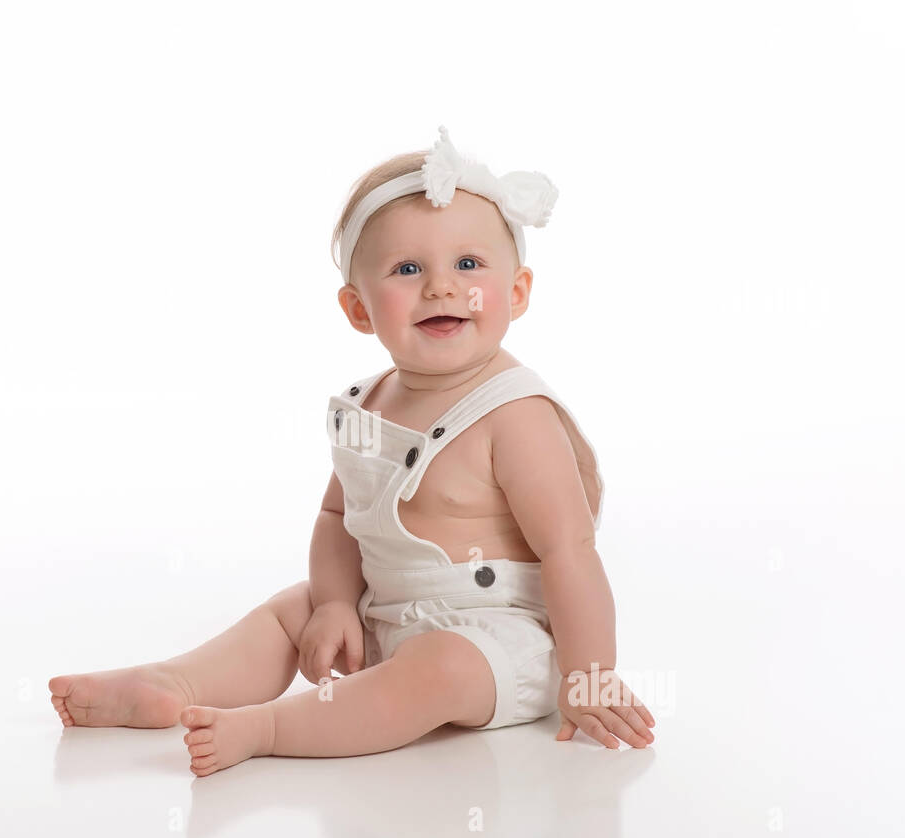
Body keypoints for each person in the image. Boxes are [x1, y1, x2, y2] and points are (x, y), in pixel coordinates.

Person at [50, 126, 654, 776]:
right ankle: (177, 682)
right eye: (408, 269)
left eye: (469, 264)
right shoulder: (366, 406)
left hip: (493, 639)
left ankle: (270, 726)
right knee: (293, 609)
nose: (441, 287)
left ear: (517, 292)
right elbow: (340, 518)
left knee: (437, 670)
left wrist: (591, 674)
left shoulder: (515, 415)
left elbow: (570, 550)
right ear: (359, 308)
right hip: (382, 609)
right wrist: (338, 602)